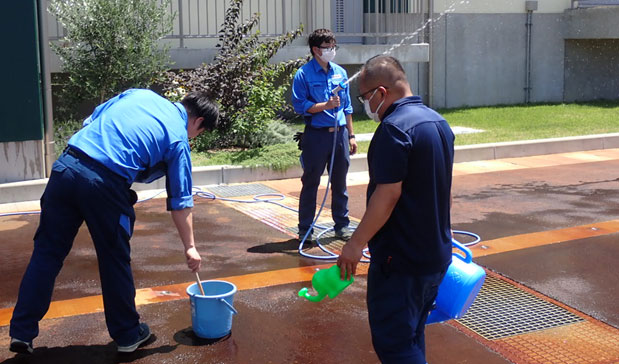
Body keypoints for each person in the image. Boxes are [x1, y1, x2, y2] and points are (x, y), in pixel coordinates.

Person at [9, 89, 219, 354]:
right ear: (199, 122)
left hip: (66, 165)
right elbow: (181, 200)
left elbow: (92, 120)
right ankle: (128, 334)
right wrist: (190, 246)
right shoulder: (178, 140)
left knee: (47, 253)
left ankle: (21, 332)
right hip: (103, 185)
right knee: (114, 258)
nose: (194, 137)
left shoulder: (139, 94)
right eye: (199, 133)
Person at [337, 55, 454, 364]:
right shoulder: (438, 123)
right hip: (434, 257)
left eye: (364, 98)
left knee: (396, 345)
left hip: (400, 261)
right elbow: (441, 189)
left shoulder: (394, 130)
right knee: (413, 334)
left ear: (381, 93)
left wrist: (354, 244)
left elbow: (386, 196)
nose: (365, 105)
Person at [291, 28, 357, 243]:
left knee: (340, 182)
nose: (331, 50)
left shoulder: (340, 72)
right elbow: (300, 106)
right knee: (310, 182)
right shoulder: (303, 74)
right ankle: (305, 229)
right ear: (315, 50)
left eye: (333, 46)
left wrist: (351, 135)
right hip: (316, 136)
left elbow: (347, 107)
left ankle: (342, 226)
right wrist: (326, 105)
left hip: (339, 135)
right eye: (327, 47)